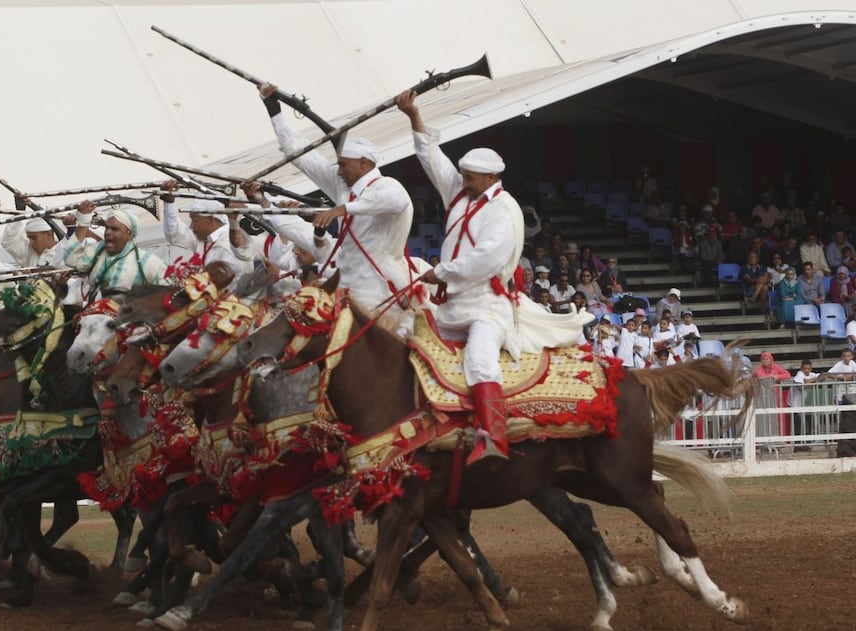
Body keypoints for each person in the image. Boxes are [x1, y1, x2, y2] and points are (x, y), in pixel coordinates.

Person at [400, 90, 590, 467]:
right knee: (410, 344)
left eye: (469, 176)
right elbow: (431, 160)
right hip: (452, 304)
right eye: (463, 175)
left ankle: (494, 439)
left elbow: (486, 259)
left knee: (480, 359)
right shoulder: (461, 192)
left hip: (488, 304)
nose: (462, 180)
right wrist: (414, 117)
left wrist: (441, 272)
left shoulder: (505, 210)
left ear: (490, 176)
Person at [263, 83, 413, 315]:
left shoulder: (388, 186)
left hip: (380, 289)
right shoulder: (344, 186)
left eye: (343, 165)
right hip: (345, 286)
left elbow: (397, 201)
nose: (338, 171)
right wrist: (274, 109)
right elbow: (300, 155)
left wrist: (340, 210)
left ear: (363, 163)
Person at [60, 206, 166, 299]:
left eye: (114, 229)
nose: (108, 233)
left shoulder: (148, 262)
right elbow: (70, 258)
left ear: (129, 234)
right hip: (95, 316)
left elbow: (166, 294)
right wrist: (83, 222)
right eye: (107, 228)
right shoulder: (97, 250)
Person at [160, 180, 252, 284]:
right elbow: (174, 234)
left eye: (195, 220)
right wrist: (169, 203)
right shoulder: (202, 239)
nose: (191, 226)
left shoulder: (231, 244)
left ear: (210, 220)